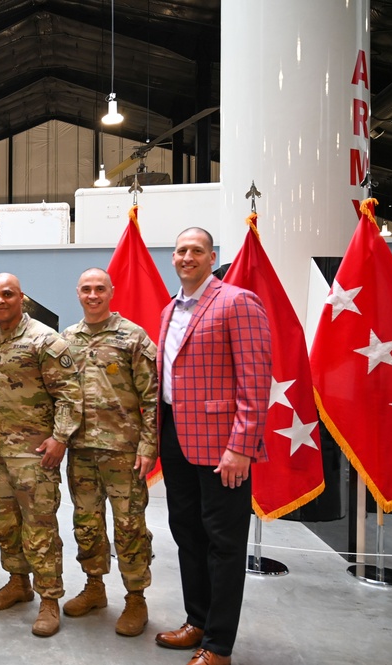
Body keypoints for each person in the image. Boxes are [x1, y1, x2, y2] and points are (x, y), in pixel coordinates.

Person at [155, 228, 271, 665]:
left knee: (223, 543)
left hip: (223, 445)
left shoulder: (237, 301)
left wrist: (241, 446)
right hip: (175, 438)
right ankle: (196, 621)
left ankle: (219, 645)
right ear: (173, 257)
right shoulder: (170, 308)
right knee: (187, 535)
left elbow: (256, 381)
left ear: (212, 257)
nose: (187, 257)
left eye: (196, 251)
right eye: (181, 250)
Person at [0, 273, 82, 637]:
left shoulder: (46, 340)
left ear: (22, 298)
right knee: (6, 524)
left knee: (41, 527)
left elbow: (70, 394)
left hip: (34, 454)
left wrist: (60, 438)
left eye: (8, 295)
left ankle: (49, 599)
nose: (0, 301)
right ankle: (18, 582)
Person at [60, 268, 158, 637]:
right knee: (86, 524)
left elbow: (151, 397)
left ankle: (136, 598)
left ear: (111, 292)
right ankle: (94, 587)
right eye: (86, 289)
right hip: (81, 450)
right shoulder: (67, 339)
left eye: (100, 288)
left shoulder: (132, 337)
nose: (93, 295)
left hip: (124, 452)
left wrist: (148, 445)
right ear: (78, 293)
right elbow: (62, 394)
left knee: (130, 527)